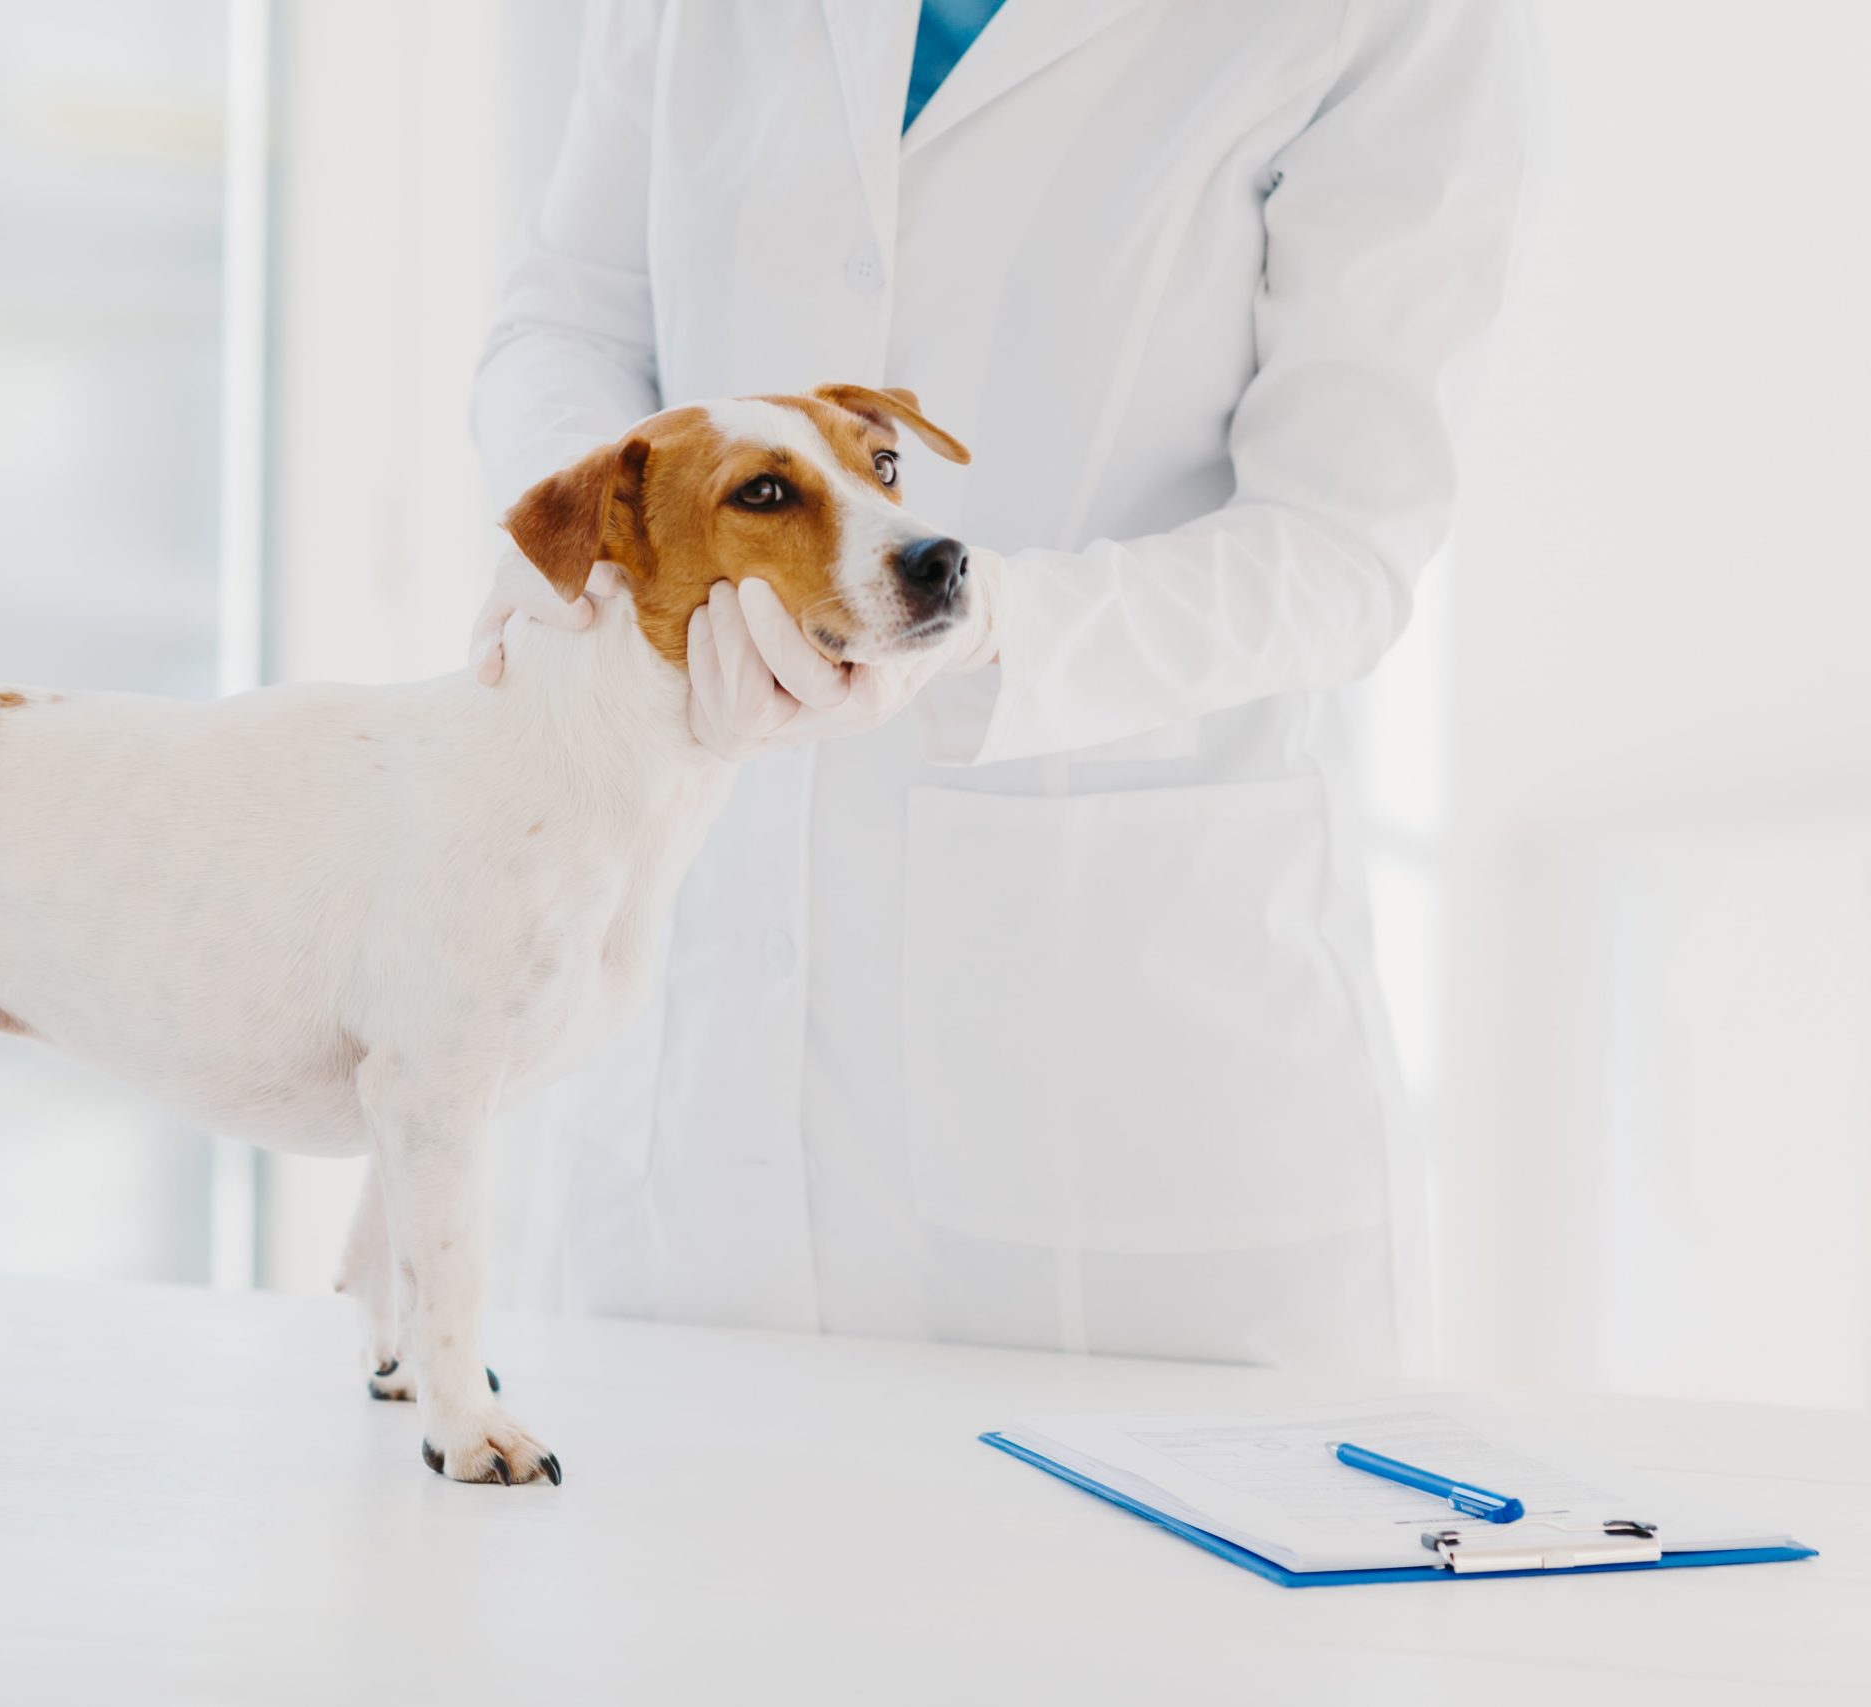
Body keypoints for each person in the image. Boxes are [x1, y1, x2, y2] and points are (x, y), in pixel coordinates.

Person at [464, 0, 1534, 1372]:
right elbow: (567, 314)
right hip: (677, 1095)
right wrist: (598, 533)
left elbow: (1341, 544)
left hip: (1122, 1129)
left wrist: (982, 631)